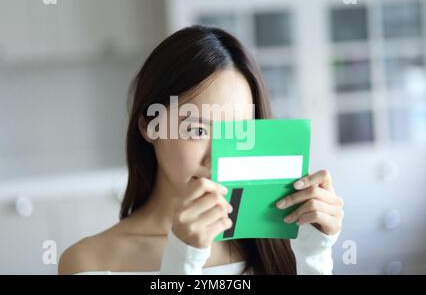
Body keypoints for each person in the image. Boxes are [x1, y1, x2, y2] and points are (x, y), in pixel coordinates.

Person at [58, 25, 344, 275]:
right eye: (197, 130)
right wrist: (183, 258)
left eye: (236, 133)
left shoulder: (281, 244)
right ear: (149, 126)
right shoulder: (87, 261)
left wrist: (315, 254)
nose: (216, 160)